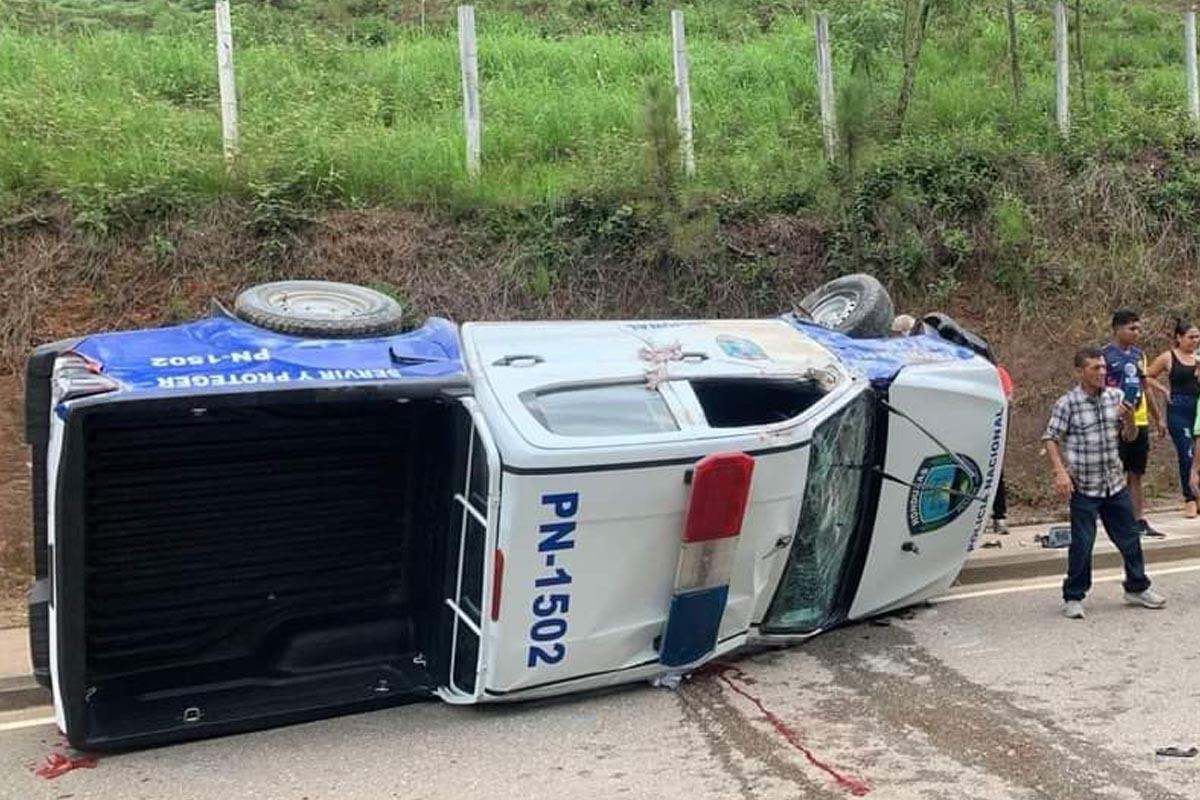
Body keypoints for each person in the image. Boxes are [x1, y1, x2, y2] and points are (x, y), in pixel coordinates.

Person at [1043, 346, 1166, 619]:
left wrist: (1130, 418)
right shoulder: (1068, 403)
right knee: (1082, 544)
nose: (1101, 372)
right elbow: (1050, 437)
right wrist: (1060, 472)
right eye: (1094, 368)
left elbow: (1131, 437)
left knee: (1130, 538)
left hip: (1113, 483)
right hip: (1085, 486)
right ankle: (1074, 595)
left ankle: (1136, 586)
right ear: (1080, 371)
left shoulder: (1116, 398)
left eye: (1103, 368)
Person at [1102, 309, 1165, 537]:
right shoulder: (1104, 356)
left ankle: (1138, 519)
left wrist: (1157, 418)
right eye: (1131, 329)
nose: (1136, 333)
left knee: (1136, 472)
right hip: (1114, 420)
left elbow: (1145, 386)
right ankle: (1118, 519)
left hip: (1139, 419)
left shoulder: (1139, 355)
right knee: (1115, 471)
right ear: (1117, 329)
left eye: (1138, 328)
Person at [1147, 318, 1200, 518]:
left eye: (1198, 337)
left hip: (1198, 406)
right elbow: (1147, 375)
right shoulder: (1169, 357)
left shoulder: (1198, 357)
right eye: (1191, 337)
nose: (1195, 341)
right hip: (1179, 408)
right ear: (1179, 338)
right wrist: (1163, 389)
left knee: (1199, 454)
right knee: (1186, 452)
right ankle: (1189, 498)